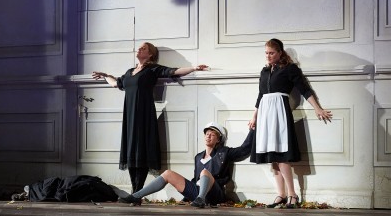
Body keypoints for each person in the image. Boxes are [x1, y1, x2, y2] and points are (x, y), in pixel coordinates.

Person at [92, 42, 208, 193]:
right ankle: (136, 192)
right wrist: (106, 76)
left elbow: (173, 71)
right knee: (131, 151)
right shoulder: (129, 72)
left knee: (141, 151)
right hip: (130, 116)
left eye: (143, 48)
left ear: (150, 54)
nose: (139, 49)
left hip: (144, 115)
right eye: (139, 47)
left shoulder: (152, 69)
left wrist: (193, 68)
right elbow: (116, 84)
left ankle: (137, 192)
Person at [248, 38, 332, 209]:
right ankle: (281, 194)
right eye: (266, 53)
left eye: (271, 53)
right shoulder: (264, 72)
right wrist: (254, 116)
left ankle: (293, 194)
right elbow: (260, 95)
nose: (268, 56)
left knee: (281, 153)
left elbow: (304, 89)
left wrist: (317, 108)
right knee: (272, 155)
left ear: (280, 52)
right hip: (265, 113)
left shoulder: (290, 69)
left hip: (279, 111)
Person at [118, 122, 254, 208]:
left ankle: (200, 199)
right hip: (197, 193)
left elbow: (244, 149)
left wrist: (252, 130)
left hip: (214, 194)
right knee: (167, 174)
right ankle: (136, 196)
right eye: (207, 134)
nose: (208, 136)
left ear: (218, 140)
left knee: (205, 172)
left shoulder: (225, 152)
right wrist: (186, 197)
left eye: (212, 135)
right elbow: (196, 179)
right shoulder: (198, 156)